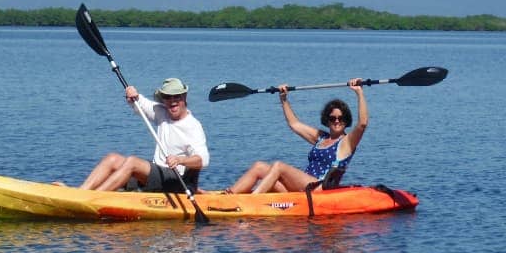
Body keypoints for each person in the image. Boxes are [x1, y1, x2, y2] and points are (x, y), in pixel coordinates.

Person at [224, 78, 368, 194]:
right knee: (259, 166)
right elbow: (294, 124)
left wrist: (359, 92)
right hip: (302, 188)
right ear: (327, 120)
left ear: (346, 120)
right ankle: (230, 195)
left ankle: (253, 200)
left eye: (341, 118)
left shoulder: (347, 142)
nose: (337, 121)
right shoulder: (321, 138)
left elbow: (362, 124)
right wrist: (284, 99)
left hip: (318, 189)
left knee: (279, 166)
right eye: (332, 118)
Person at [74, 78, 209, 193]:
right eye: (168, 97)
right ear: (163, 99)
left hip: (179, 181)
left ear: (184, 97)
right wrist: (133, 95)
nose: (172, 101)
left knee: (132, 162)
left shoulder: (193, 126)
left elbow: (202, 160)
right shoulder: (162, 112)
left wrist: (180, 160)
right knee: (112, 158)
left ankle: (95, 197)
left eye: (176, 96)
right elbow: (141, 103)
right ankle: (81, 193)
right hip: (159, 175)